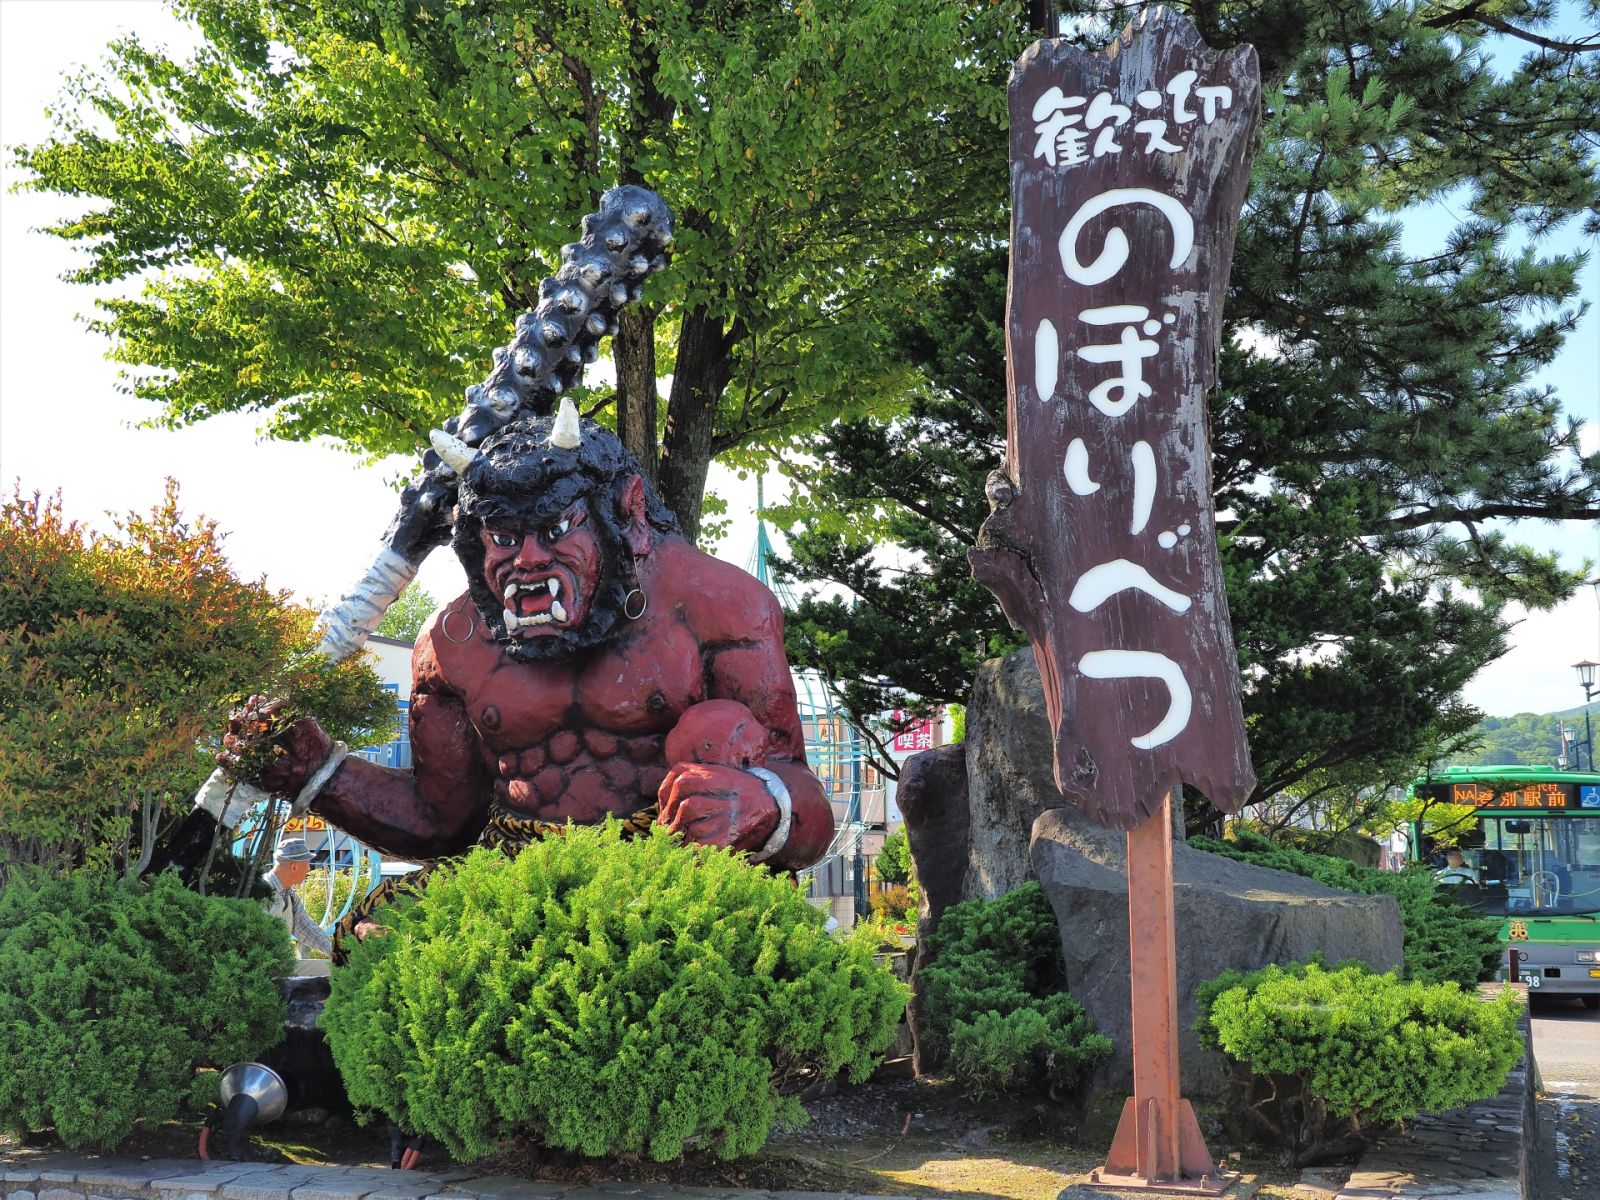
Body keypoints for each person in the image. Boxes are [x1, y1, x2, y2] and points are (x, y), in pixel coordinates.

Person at [220, 408, 834, 887]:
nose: (529, 560)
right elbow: (441, 822)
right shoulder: (452, 644)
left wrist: (766, 805)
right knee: (385, 926)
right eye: (505, 538)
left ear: (628, 517)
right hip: (515, 876)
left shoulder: (718, 604)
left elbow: (804, 800)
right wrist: (318, 774)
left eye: (557, 530)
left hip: (672, 878)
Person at [264, 837, 334, 959]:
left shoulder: (289, 893)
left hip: (283, 965)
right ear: (294, 867)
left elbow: (306, 928)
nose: (308, 869)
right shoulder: (261, 892)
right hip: (263, 969)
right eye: (307, 864)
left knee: (335, 969)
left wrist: (336, 952)